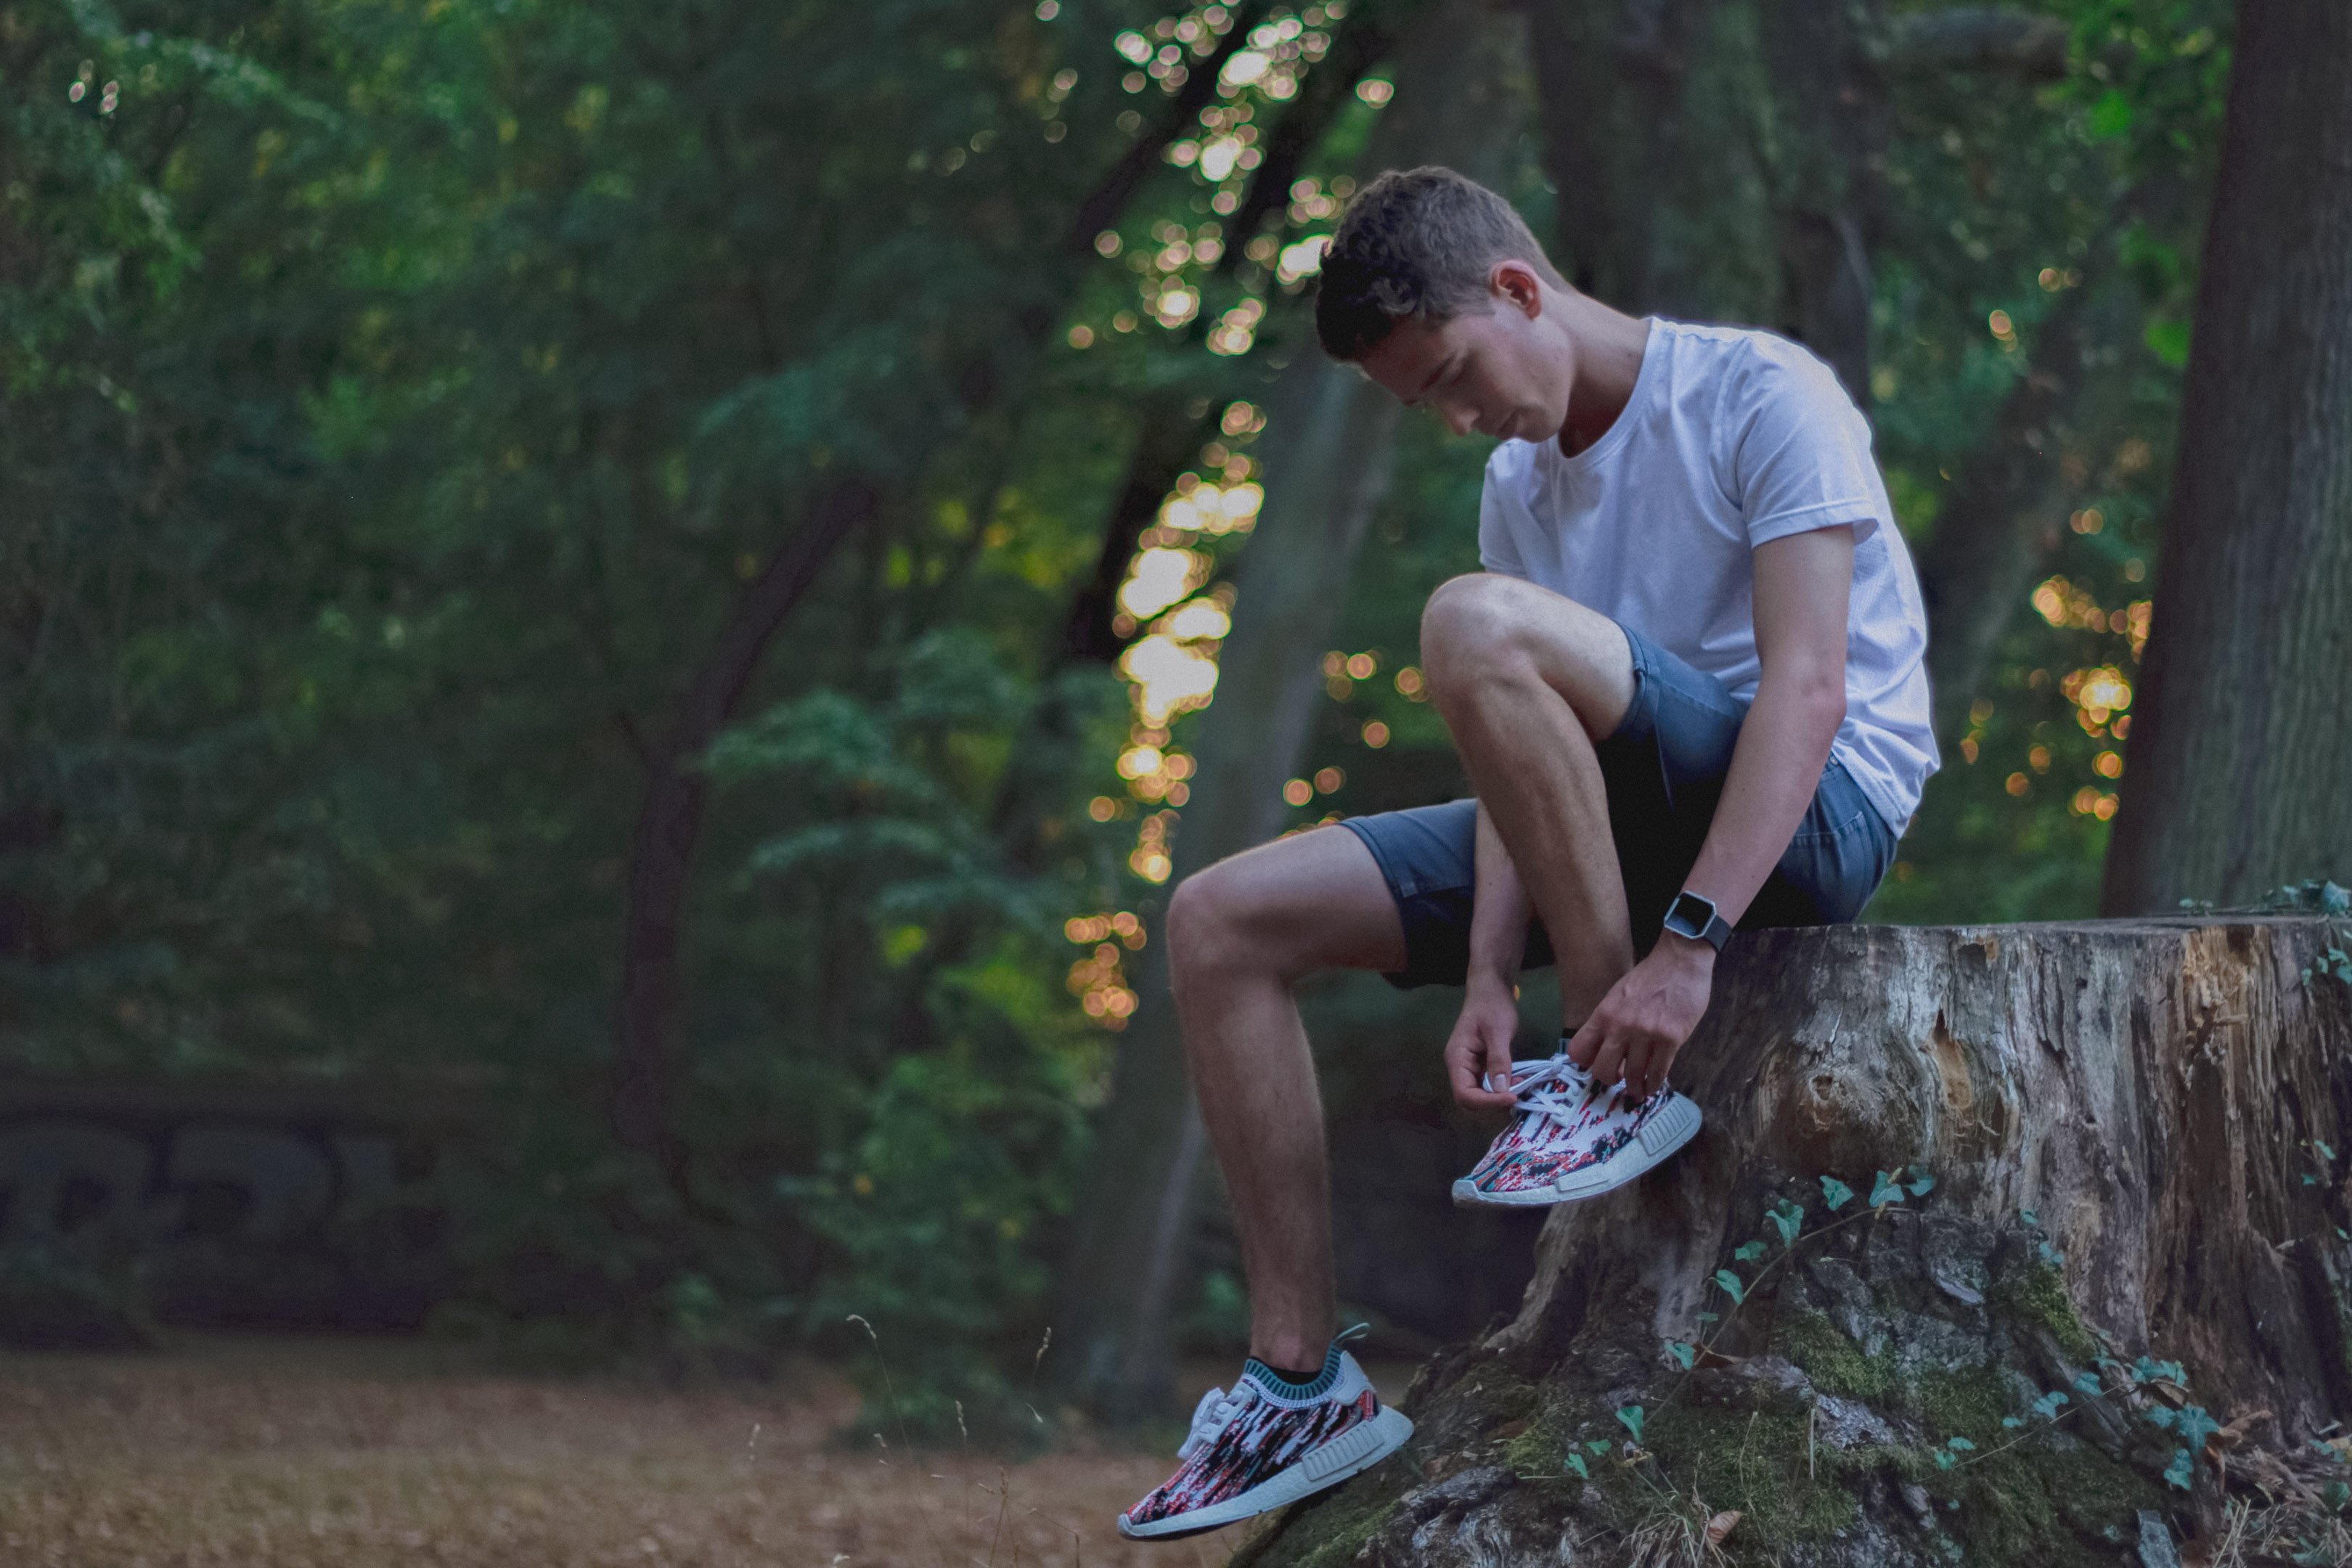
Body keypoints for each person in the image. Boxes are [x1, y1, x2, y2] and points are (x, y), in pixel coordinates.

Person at [1116, 165, 1937, 1541]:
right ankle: (1301, 1380)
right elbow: (1519, 762)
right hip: (1613, 826)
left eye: (1449, 375)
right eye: (1419, 403)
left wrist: (1684, 954)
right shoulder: (1521, 488)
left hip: (1811, 815)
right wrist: (1489, 966)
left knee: (1472, 624)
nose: (1455, 419)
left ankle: (1605, 1075)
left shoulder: (1759, 395)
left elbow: (1809, 695)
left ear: (1516, 289)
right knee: (1217, 922)